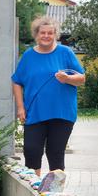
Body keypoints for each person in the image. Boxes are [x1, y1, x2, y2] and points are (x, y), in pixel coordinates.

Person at [12, 16, 85, 176]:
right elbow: (16, 81)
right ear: (36, 35)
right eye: (42, 33)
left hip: (62, 113)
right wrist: (20, 107)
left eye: (50, 33)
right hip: (34, 112)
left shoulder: (65, 53)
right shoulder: (28, 56)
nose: (46, 36)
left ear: (55, 35)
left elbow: (81, 78)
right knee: (31, 151)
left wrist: (67, 78)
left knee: (55, 153)